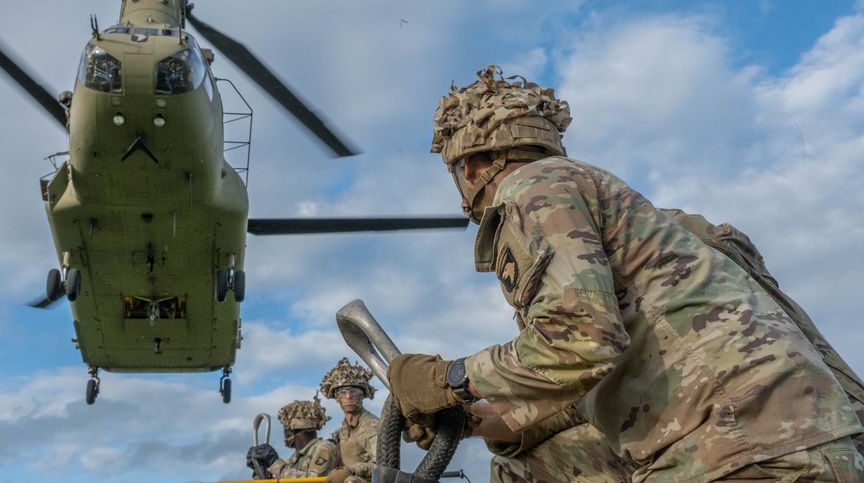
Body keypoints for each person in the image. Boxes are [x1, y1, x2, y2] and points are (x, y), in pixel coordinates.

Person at [386, 66, 864, 483]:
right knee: (523, 462)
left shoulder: (532, 188)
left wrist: (449, 377)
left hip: (736, 448)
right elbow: (581, 386)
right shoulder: (647, 230)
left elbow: (580, 340)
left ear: (468, 165)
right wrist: (467, 417)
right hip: (786, 438)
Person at [246, 397, 340, 479]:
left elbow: (312, 479)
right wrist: (260, 468)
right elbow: (281, 479)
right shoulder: (294, 458)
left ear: (291, 429)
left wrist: (274, 462)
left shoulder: (325, 448)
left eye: (285, 426)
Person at [319, 358, 380, 483]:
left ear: (362, 394)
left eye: (354, 391)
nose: (348, 396)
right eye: (342, 392)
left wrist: (351, 471)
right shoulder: (343, 430)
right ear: (337, 398)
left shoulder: (371, 425)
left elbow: (383, 463)